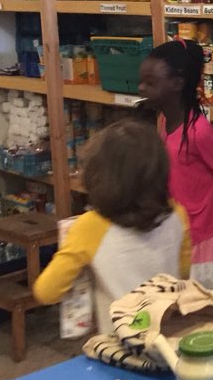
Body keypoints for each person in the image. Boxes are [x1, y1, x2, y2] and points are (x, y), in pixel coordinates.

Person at [33, 120, 191, 333]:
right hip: (169, 335)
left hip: (119, 343)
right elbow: (184, 272)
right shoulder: (177, 214)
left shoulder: (89, 227)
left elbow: (46, 291)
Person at [138, 39, 213, 291]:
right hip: (182, 237)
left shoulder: (200, 133)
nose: (141, 88)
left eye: (150, 82)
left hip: (208, 243)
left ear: (178, 84)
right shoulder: (164, 123)